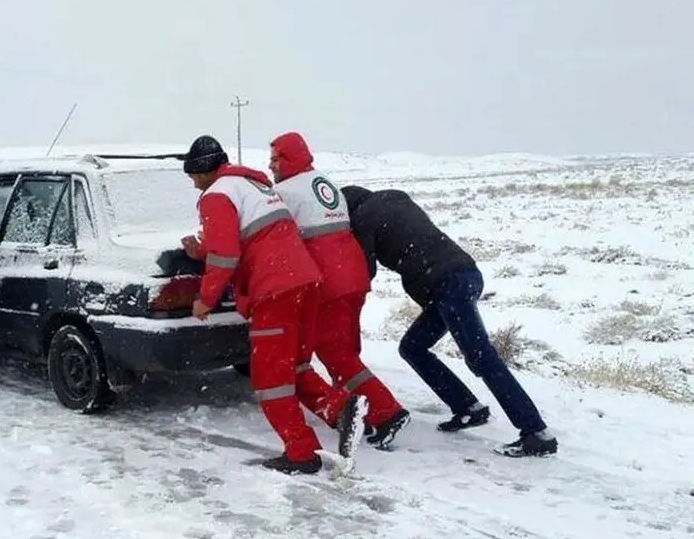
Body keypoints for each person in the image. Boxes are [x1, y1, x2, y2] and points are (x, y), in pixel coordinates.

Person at [181, 134, 359, 475]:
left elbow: (226, 255)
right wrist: (199, 251)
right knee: (294, 367)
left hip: (273, 289)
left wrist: (205, 300)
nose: (192, 182)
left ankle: (301, 453)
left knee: (269, 378)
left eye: (192, 175)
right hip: (305, 280)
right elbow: (250, 238)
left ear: (203, 171)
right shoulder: (254, 186)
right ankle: (340, 410)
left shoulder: (216, 195)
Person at [342, 185, 559, 457]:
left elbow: (365, 270)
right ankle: (468, 408)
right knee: (413, 347)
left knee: (481, 357)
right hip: (464, 274)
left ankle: (536, 432)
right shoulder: (395, 198)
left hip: (447, 285)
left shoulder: (363, 217)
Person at [268, 132, 410, 449]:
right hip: (353, 274)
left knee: (336, 354)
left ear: (289, 158)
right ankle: (359, 411)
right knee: (345, 350)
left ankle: (386, 413)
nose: (270, 164)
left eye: (276, 158)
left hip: (328, 281)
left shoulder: (285, 191)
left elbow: (273, 234)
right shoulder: (323, 182)